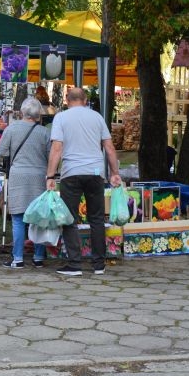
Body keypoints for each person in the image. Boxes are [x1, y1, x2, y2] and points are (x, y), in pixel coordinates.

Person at [46, 87, 122, 276]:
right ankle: (98, 264)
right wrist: (114, 172)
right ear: (85, 99)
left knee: (69, 218)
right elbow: (109, 148)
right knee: (96, 218)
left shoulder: (61, 118)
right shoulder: (97, 117)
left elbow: (57, 149)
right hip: (95, 173)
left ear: (66, 99)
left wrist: (50, 176)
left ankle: (74, 264)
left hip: (71, 173)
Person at [0, 97, 51, 269]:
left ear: (21, 112)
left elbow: (2, 152)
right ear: (38, 115)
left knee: (18, 219)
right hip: (39, 176)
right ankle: (38, 257)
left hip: (18, 175)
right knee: (39, 218)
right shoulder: (44, 132)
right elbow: (52, 156)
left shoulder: (11, 129)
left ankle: (18, 258)